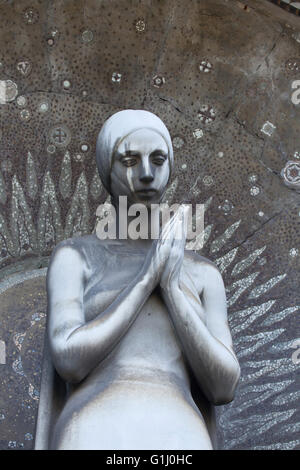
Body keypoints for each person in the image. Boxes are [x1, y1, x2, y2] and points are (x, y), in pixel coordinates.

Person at [35, 109, 240, 450]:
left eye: (157, 159)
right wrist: (146, 280)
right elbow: (69, 359)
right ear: (107, 169)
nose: (146, 174)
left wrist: (172, 287)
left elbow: (224, 387)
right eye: (130, 160)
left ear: (170, 168)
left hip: (179, 434)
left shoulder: (203, 274)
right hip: (93, 429)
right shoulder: (76, 257)